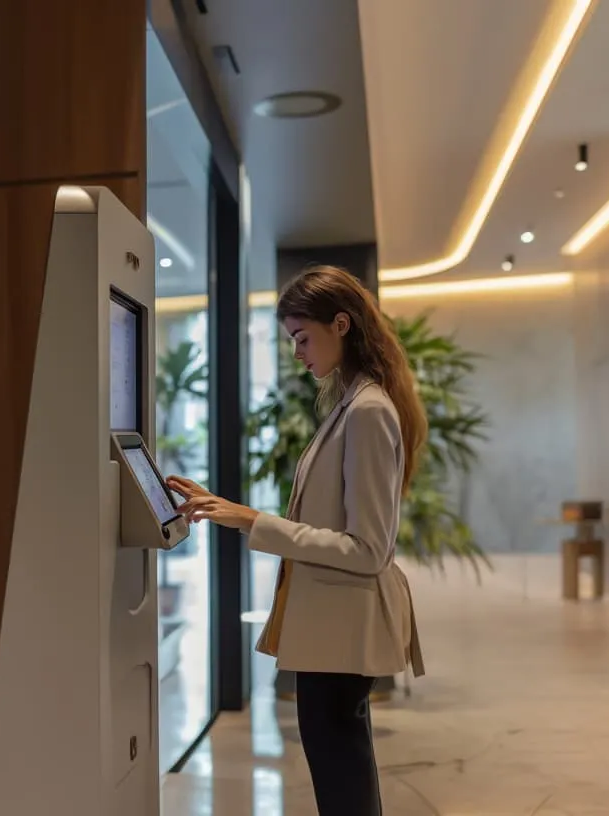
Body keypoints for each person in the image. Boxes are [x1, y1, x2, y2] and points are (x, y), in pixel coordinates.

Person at [168, 265, 426, 816]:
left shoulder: (368, 411)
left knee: (343, 776)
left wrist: (250, 520)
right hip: (333, 626)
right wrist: (228, 508)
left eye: (301, 338)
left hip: (343, 630)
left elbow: (368, 548)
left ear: (342, 324)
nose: (297, 353)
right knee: (342, 772)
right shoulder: (352, 404)